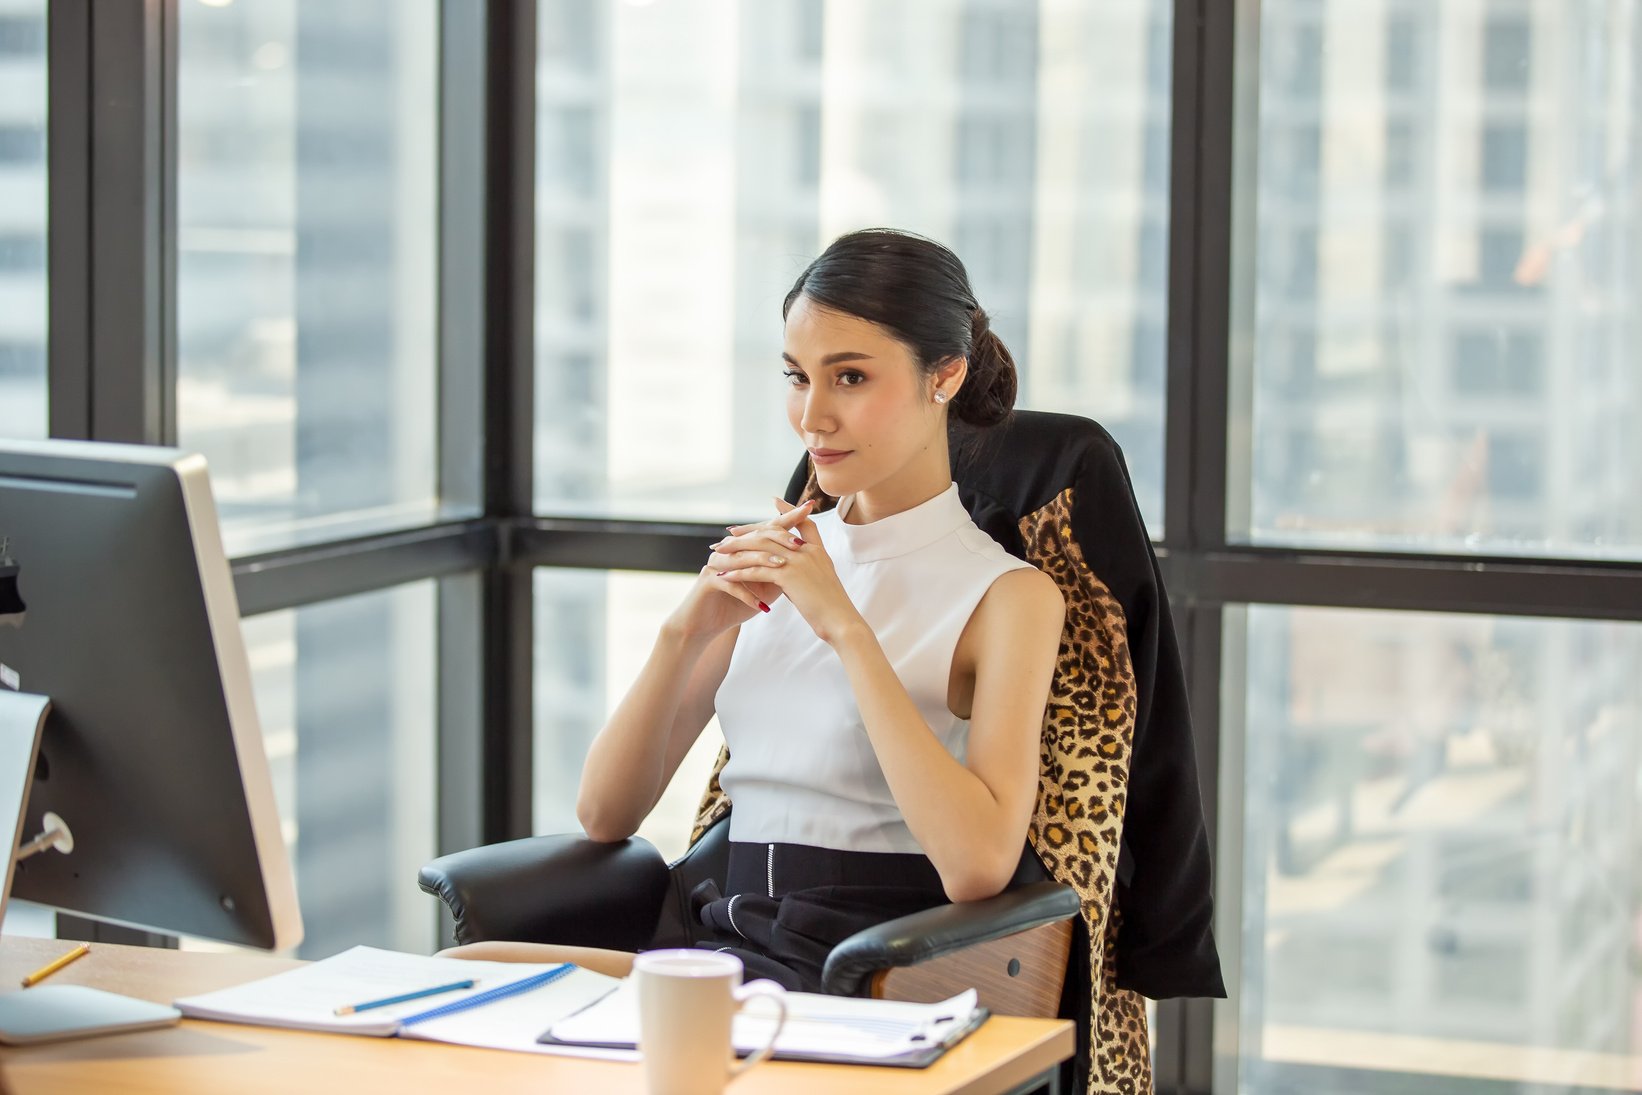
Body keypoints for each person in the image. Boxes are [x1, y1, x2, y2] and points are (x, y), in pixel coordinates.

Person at [445, 228, 1065, 990]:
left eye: (850, 378)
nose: (813, 418)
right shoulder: (781, 557)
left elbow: (978, 866)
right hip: (716, 938)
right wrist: (685, 629)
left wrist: (846, 627)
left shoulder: (1007, 595)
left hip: (859, 964)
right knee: (462, 980)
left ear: (945, 376)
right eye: (797, 376)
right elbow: (605, 812)